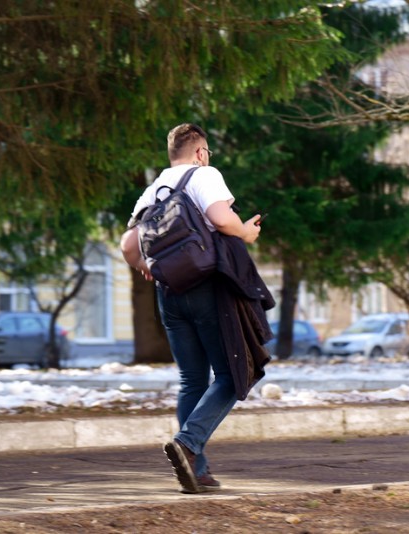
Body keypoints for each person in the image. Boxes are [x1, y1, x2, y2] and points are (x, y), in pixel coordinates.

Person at [120, 123, 269, 494]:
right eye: (208, 153)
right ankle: (187, 444)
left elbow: (128, 245)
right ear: (201, 152)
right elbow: (220, 218)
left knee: (192, 380)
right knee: (236, 373)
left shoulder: (155, 189)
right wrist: (246, 232)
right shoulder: (205, 175)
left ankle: (196, 472)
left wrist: (150, 268)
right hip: (207, 288)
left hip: (169, 294)